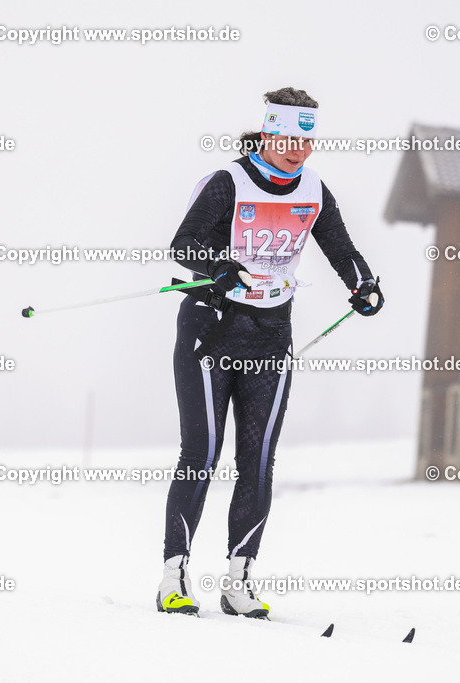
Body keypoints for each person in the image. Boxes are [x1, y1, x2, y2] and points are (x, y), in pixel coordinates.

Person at [157, 87, 384, 617]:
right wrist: (219, 268)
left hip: (269, 336)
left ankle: (238, 582)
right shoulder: (227, 182)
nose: (298, 149)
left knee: (257, 462)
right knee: (201, 456)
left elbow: (341, 249)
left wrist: (362, 284)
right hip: (211, 330)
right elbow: (184, 243)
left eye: (308, 139)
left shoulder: (313, 190)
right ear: (267, 131)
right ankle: (174, 577)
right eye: (288, 137)